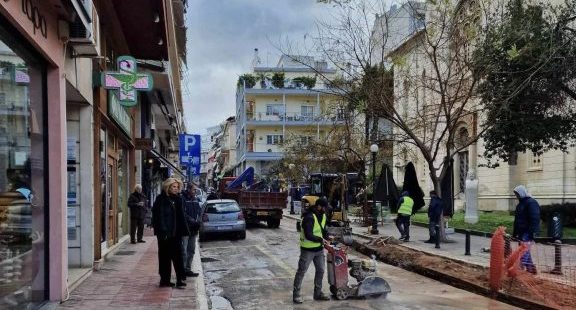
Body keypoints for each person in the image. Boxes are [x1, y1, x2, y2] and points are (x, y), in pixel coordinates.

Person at [152, 178, 190, 288]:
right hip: (165, 234)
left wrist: (185, 229)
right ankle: (164, 280)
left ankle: (179, 279)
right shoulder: (161, 199)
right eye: (174, 187)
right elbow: (158, 217)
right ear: (168, 187)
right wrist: (162, 231)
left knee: (178, 257)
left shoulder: (179, 199)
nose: (176, 189)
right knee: (165, 258)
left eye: (177, 187)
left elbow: (181, 216)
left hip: (176, 233)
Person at [293, 198, 331, 304]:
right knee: (301, 272)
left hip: (319, 249)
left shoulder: (323, 216)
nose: (325, 210)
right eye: (324, 208)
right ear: (318, 206)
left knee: (321, 270)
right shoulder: (308, 217)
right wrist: (321, 239)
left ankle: (318, 294)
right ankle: (296, 295)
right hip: (307, 250)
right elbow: (308, 235)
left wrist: (327, 237)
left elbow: (323, 230)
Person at [512, 185, 540, 274]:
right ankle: (531, 268)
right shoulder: (520, 204)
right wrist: (514, 233)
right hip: (521, 232)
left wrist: (533, 232)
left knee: (523, 251)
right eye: (515, 194)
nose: (516, 196)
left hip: (528, 231)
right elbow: (517, 220)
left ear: (521, 193)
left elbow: (535, 218)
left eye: (517, 194)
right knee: (525, 249)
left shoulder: (531, 202)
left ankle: (518, 269)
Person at [181, 183, 202, 277]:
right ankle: (182, 270)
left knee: (191, 250)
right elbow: (182, 213)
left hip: (194, 229)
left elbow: (199, 211)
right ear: (189, 189)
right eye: (194, 190)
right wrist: (192, 220)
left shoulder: (196, 199)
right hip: (185, 229)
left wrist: (198, 221)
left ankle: (188, 269)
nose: (195, 191)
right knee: (184, 251)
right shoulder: (183, 199)